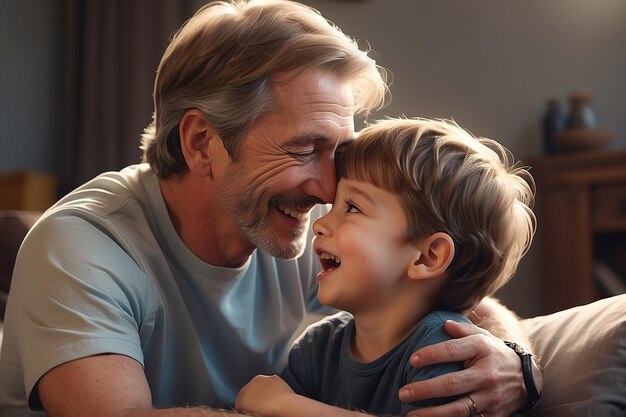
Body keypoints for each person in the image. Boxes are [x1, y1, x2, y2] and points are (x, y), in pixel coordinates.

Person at [0, 1, 538, 417]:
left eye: (338, 153)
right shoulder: (80, 248)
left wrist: (514, 361)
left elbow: (453, 297)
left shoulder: (297, 230)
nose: (329, 186)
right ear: (200, 140)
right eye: (304, 150)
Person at [235, 117, 537, 417]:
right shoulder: (318, 347)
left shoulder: (441, 349)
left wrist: (287, 405)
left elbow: (278, 405)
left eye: (352, 207)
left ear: (427, 257)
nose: (321, 223)